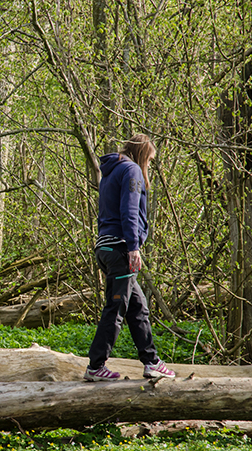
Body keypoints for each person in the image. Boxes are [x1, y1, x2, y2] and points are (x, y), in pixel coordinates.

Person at [85, 134, 176, 382]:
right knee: (116, 308)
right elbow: (129, 210)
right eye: (150, 160)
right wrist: (134, 246)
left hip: (105, 248)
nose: (150, 166)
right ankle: (95, 366)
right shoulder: (132, 170)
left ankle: (152, 362)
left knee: (138, 308)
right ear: (144, 154)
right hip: (121, 249)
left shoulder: (111, 171)